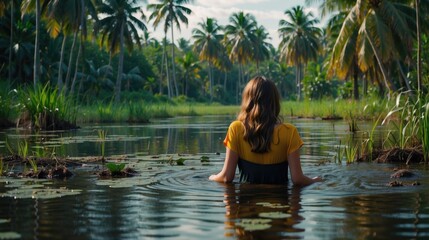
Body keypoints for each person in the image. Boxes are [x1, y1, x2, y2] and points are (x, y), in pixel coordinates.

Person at [209, 76, 322, 186]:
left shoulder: (236, 129)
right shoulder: (290, 132)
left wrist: (212, 177)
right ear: (275, 102)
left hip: (246, 203)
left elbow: (226, 177)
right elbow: (297, 179)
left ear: (247, 101)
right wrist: (315, 180)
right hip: (281, 202)